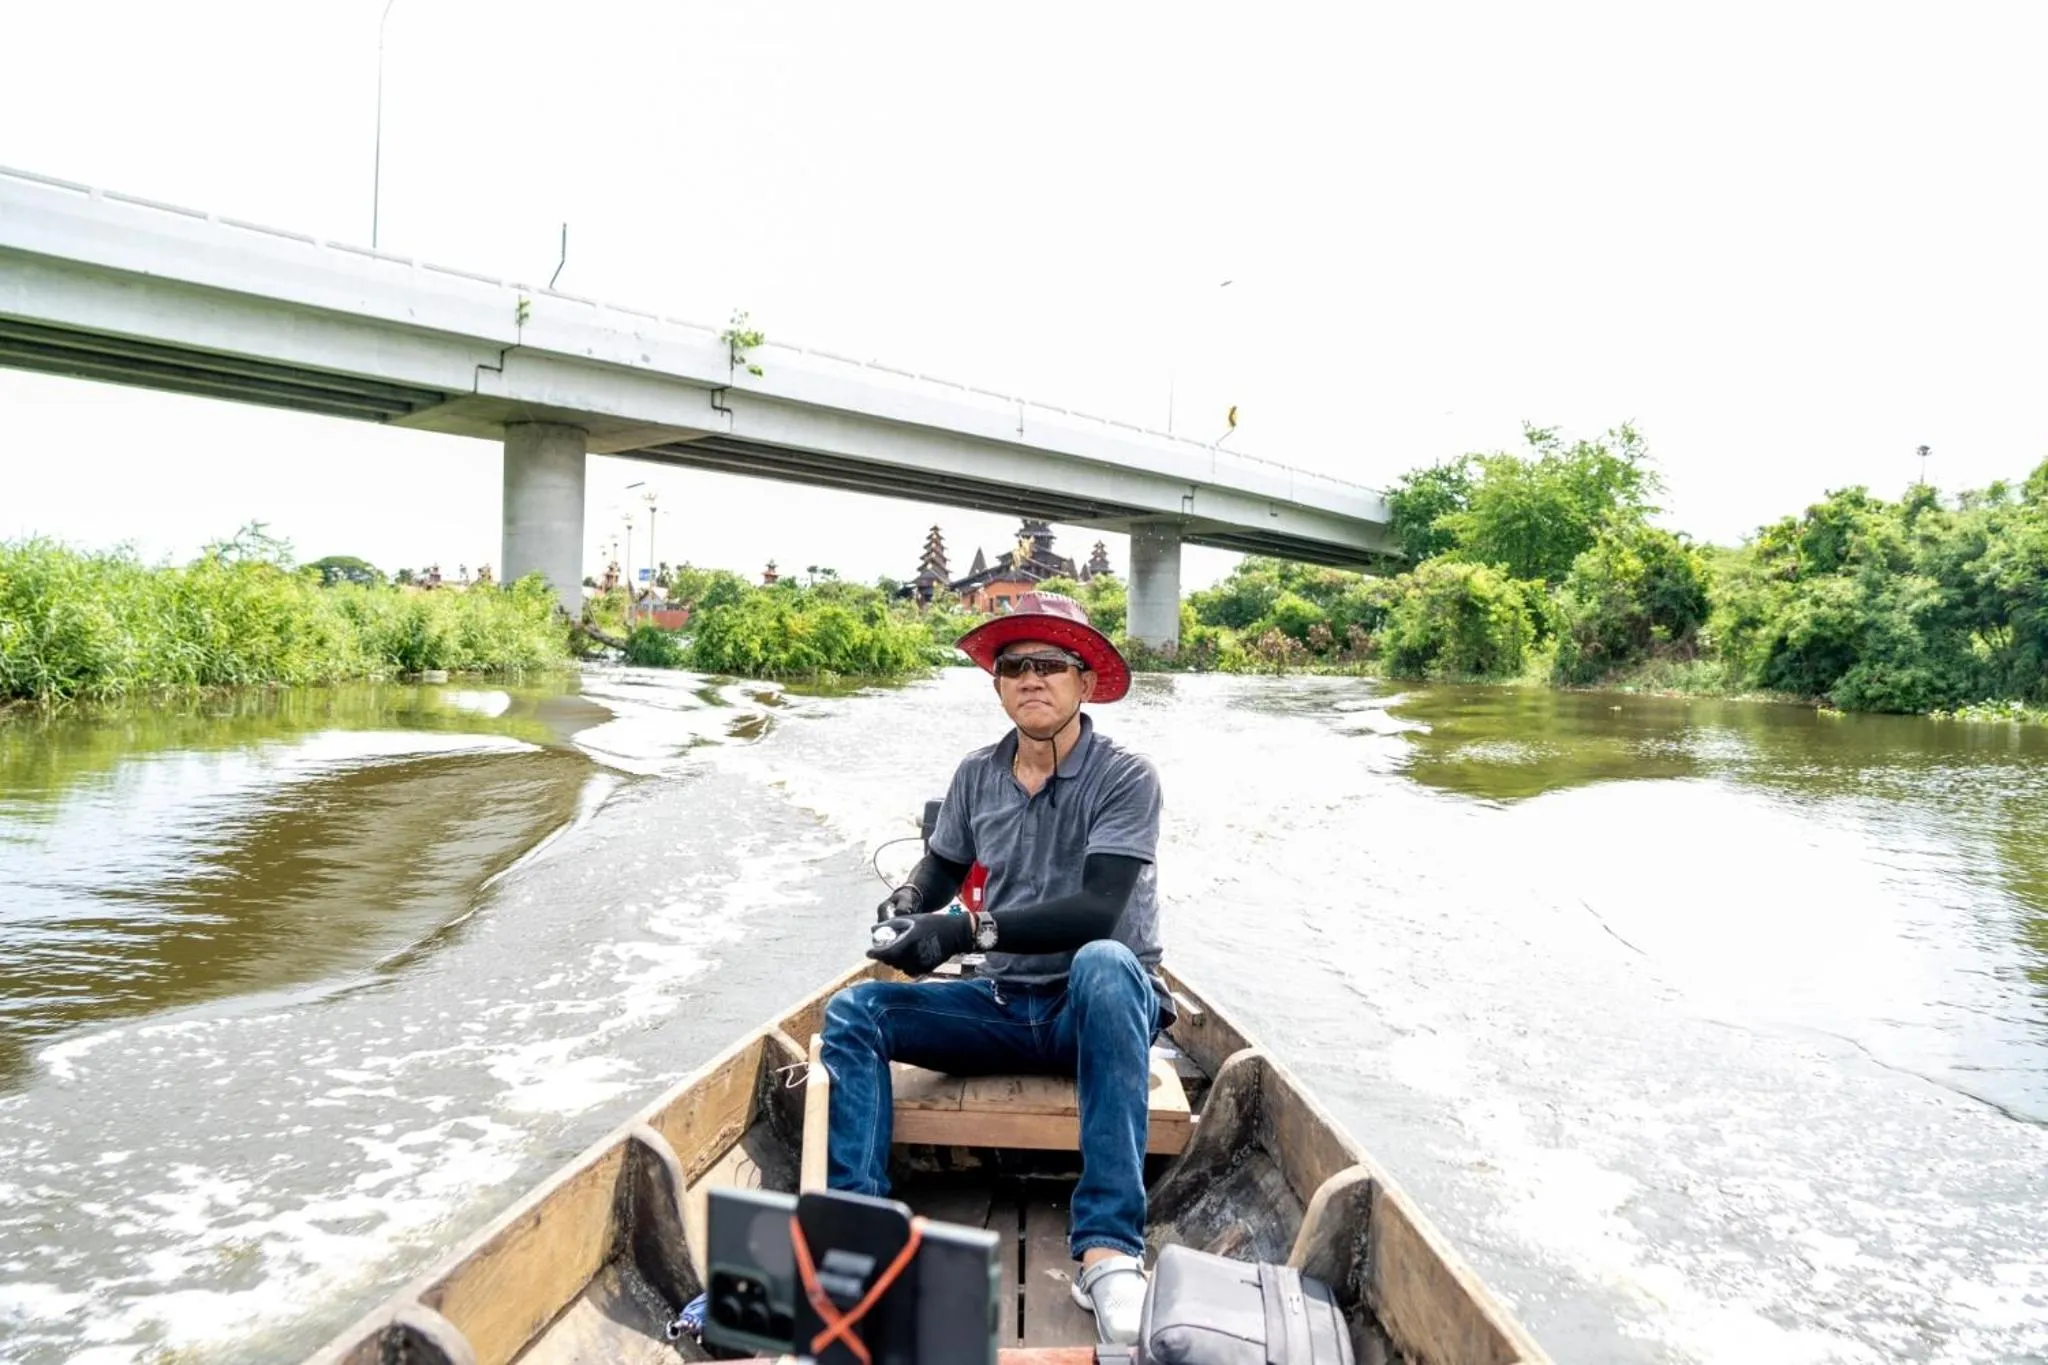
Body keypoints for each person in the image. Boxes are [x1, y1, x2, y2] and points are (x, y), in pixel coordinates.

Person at [818, 592, 1167, 1346]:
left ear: (1084, 682)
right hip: (1007, 1001)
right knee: (853, 1014)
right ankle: (864, 1235)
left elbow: (1099, 908)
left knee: (1105, 963)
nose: (1031, 679)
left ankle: (1109, 1251)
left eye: (1050, 665)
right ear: (999, 685)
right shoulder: (978, 774)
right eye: (1015, 667)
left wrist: (967, 927)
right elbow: (941, 866)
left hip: (1095, 1010)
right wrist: (910, 903)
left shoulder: (1125, 776)